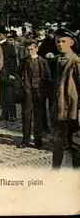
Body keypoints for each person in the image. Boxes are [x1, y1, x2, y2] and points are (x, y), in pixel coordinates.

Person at [50, 28, 80, 168]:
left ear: (72, 42)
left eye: (63, 41)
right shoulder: (57, 61)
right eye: (58, 41)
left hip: (73, 112)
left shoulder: (76, 62)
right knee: (57, 144)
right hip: (58, 110)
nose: (60, 44)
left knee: (75, 145)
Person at [17, 40, 51, 149]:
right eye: (28, 50)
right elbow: (18, 75)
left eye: (32, 49)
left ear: (36, 49)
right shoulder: (24, 61)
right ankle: (25, 140)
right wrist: (23, 86)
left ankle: (38, 141)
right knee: (26, 116)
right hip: (27, 92)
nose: (30, 51)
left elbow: (47, 77)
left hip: (39, 92)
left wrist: (44, 91)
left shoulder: (43, 61)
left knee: (38, 117)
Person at [0, 33, 17, 122]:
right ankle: (4, 114)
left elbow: (13, 62)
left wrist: (12, 73)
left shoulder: (9, 47)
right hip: (1, 74)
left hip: (8, 74)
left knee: (9, 96)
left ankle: (12, 115)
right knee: (3, 96)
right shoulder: (0, 46)